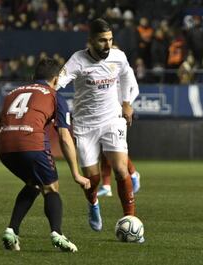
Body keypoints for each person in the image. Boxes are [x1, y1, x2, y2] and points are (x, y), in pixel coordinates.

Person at [0, 58, 91, 252]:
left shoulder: (12, 94)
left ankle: (11, 231)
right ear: (56, 79)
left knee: (34, 183)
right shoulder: (55, 96)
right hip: (31, 144)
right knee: (51, 188)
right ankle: (57, 234)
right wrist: (76, 174)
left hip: (5, 149)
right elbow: (64, 137)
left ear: (33, 77)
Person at [57, 18, 142, 241]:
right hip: (85, 125)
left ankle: (130, 219)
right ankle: (93, 203)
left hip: (113, 119)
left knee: (121, 170)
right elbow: (57, 83)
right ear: (91, 41)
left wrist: (126, 102)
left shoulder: (118, 57)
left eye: (110, 40)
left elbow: (127, 76)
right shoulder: (77, 60)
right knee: (91, 179)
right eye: (103, 41)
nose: (107, 45)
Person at [97, 66, 142, 197]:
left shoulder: (125, 69)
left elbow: (135, 89)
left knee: (115, 147)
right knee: (105, 148)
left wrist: (125, 105)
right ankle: (106, 185)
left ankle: (133, 173)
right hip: (105, 112)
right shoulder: (103, 70)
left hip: (119, 113)